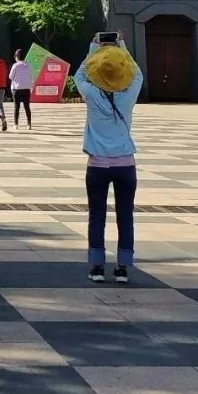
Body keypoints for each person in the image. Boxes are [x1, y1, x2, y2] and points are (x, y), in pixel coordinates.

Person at [73, 34, 144, 283]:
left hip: (97, 165)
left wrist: (94, 47)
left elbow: (79, 75)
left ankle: (96, 266)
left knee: (97, 215)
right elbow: (137, 73)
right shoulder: (129, 95)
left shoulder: (92, 94)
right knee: (125, 215)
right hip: (126, 164)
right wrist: (122, 47)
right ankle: (123, 267)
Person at [9, 48, 33, 130]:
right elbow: (31, 76)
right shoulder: (29, 65)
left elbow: (10, 76)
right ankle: (29, 124)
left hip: (16, 89)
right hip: (26, 89)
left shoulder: (15, 65)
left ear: (16, 56)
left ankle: (16, 124)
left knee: (17, 107)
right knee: (27, 107)